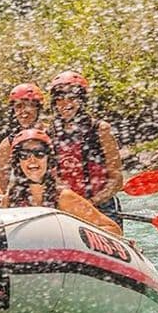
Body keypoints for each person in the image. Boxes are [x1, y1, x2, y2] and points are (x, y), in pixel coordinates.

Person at [1, 129, 122, 236]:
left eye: (39, 153)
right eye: (24, 155)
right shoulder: (10, 199)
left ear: (49, 159)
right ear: (18, 162)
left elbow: (113, 229)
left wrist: (71, 237)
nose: (32, 160)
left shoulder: (64, 198)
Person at [48, 70, 124, 227]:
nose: (65, 103)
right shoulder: (50, 133)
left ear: (82, 100)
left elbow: (116, 180)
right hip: (66, 208)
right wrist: (71, 203)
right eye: (59, 98)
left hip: (101, 207)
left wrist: (90, 203)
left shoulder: (100, 130)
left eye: (71, 98)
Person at [0, 82, 47, 195]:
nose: (23, 111)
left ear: (38, 108)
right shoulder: (8, 144)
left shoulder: (53, 135)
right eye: (18, 106)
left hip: (52, 196)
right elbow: (0, 183)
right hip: (24, 197)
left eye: (29, 105)